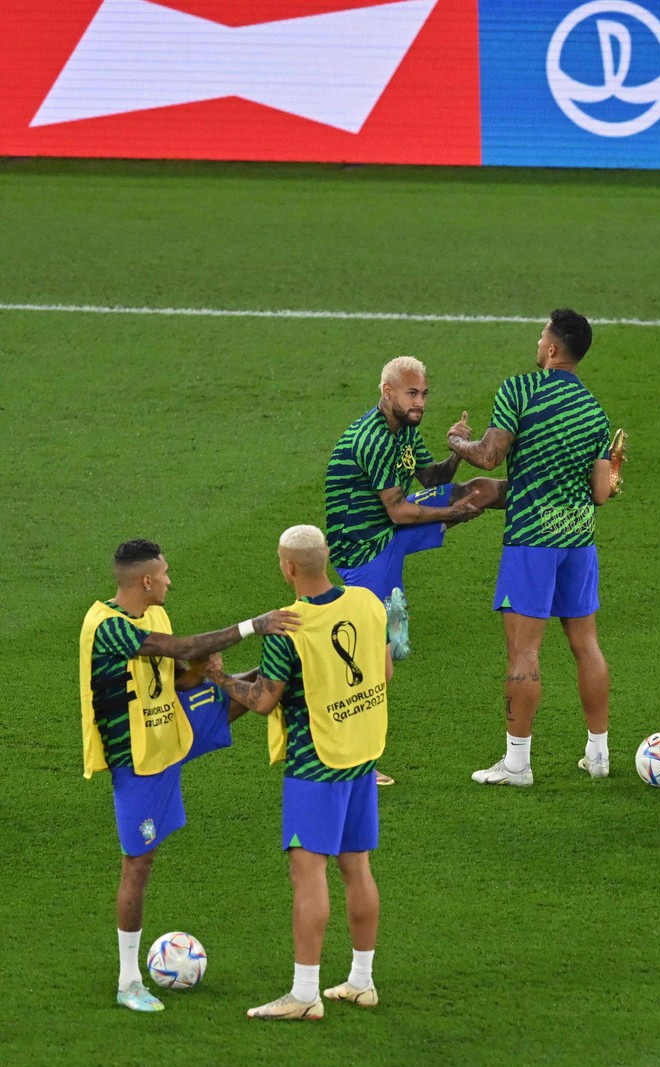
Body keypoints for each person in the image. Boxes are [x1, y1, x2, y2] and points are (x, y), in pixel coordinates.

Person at [79, 539, 298, 1012]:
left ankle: (305, 666)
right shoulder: (106, 628)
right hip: (140, 759)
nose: (170, 581)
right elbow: (181, 647)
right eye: (165, 574)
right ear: (145, 581)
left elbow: (174, 673)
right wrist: (252, 626)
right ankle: (128, 980)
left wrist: (202, 673)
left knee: (262, 686)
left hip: (171, 724)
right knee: (138, 864)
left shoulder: (153, 613)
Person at [206, 525, 392, 1021]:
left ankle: (305, 993)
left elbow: (264, 700)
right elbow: (386, 672)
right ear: (325, 558)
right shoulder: (368, 603)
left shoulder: (286, 627)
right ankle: (361, 981)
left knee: (307, 874)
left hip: (316, 763)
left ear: (287, 567)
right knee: (358, 867)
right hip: (363, 754)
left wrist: (220, 677)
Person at [446, 309, 626, 786]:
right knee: (586, 645)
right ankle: (600, 754)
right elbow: (600, 494)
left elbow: (489, 454)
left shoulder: (520, 390)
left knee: (524, 654)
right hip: (579, 541)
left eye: (542, 333)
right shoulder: (594, 410)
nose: (538, 339)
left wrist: (457, 441)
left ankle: (518, 764)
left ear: (552, 349)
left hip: (532, 542)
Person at [325, 355, 497, 784]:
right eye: (411, 393)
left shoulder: (405, 429)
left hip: (387, 531)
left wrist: (456, 452)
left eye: (423, 393)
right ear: (388, 393)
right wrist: (448, 514)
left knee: (473, 492)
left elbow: (429, 478)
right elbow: (399, 511)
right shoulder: (375, 439)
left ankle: (552, 493)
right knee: (372, 664)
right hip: (365, 548)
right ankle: (354, 760)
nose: (420, 401)